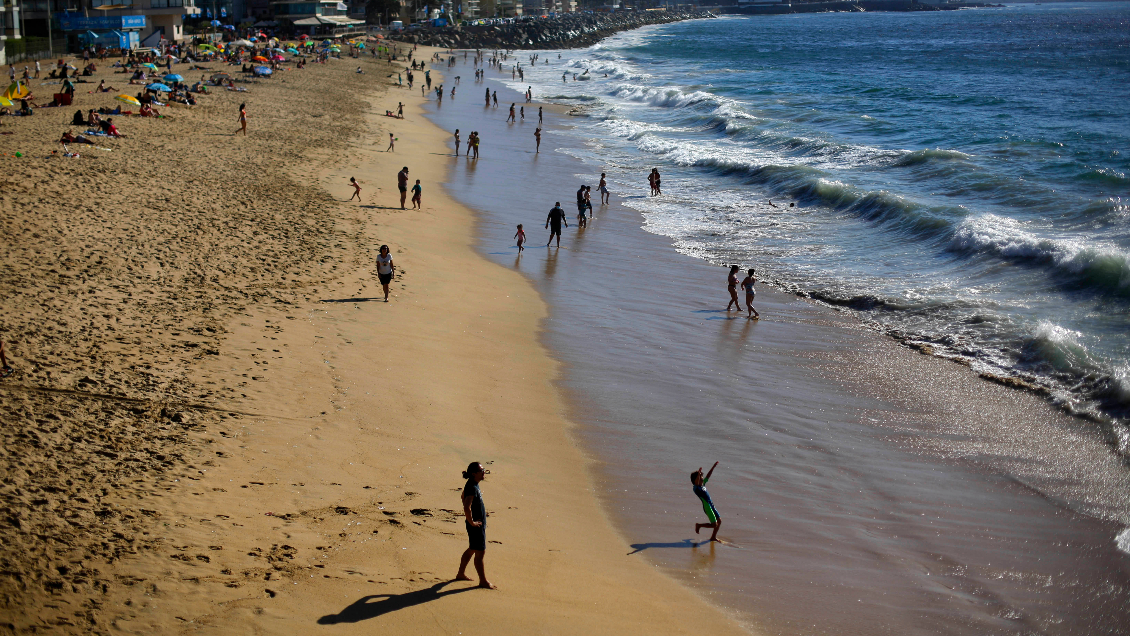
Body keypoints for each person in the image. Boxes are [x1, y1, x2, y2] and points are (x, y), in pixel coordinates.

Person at [455, 462, 495, 589]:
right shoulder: (472, 486)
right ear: (474, 474)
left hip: (476, 524)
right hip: (475, 525)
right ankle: (483, 581)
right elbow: (467, 506)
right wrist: (472, 522)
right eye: (481, 470)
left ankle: (460, 573)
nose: (484, 472)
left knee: (472, 549)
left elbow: (463, 496)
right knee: (479, 553)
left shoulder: (473, 485)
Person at [691, 462, 722, 542]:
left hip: (711, 505)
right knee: (714, 524)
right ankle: (699, 525)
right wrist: (698, 475)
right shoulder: (696, 488)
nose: (702, 478)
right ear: (696, 480)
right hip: (707, 507)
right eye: (700, 477)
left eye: (701, 477)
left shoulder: (702, 485)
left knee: (719, 521)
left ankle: (713, 537)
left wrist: (713, 467)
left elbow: (708, 476)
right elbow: (697, 482)